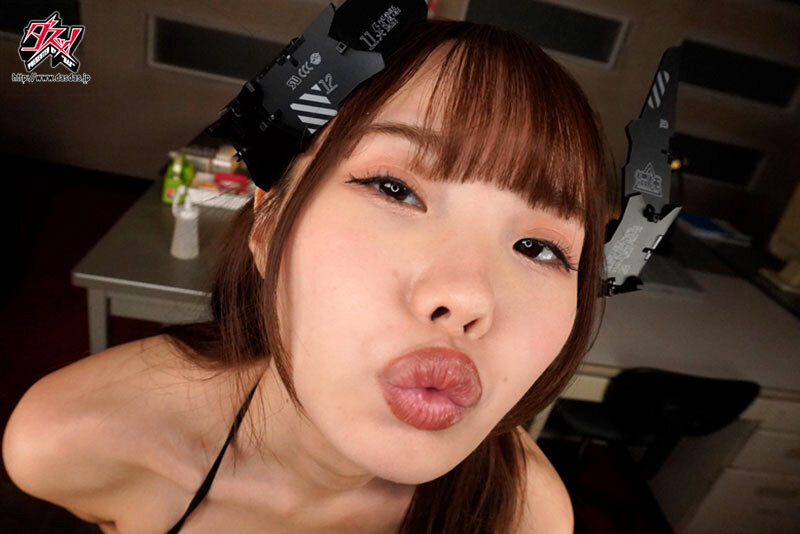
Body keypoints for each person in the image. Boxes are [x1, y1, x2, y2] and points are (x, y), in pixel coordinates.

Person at [2, 18, 608, 534]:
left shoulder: (526, 518)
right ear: (268, 222)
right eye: (394, 188)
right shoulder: (73, 441)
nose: (469, 297)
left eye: (539, 248)